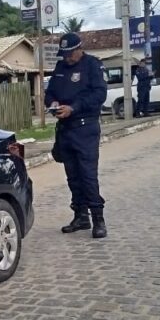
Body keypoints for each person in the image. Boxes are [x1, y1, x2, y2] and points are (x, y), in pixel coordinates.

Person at [45, 32, 107, 239]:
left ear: (80, 49)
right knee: (72, 176)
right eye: (64, 54)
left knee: (87, 175)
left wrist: (74, 108)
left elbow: (99, 94)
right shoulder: (61, 67)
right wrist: (53, 104)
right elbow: (50, 92)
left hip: (85, 128)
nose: (68, 58)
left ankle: (98, 219)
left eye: (70, 53)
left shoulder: (92, 65)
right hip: (65, 129)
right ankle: (81, 216)